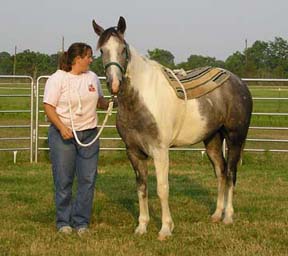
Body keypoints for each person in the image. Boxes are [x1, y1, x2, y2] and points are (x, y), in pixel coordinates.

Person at [43, 42, 109, 235]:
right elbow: (48, 106)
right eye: (88, 56)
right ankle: (63, 221)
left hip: (89, 134)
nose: (91, 60)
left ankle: (81, 222)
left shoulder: (93, 78)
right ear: (77, 59)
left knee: (87, 180)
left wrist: (112, 102)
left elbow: (99, 101)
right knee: (63, 179)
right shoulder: (57, 79)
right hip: (64, 135)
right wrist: (62, 127)